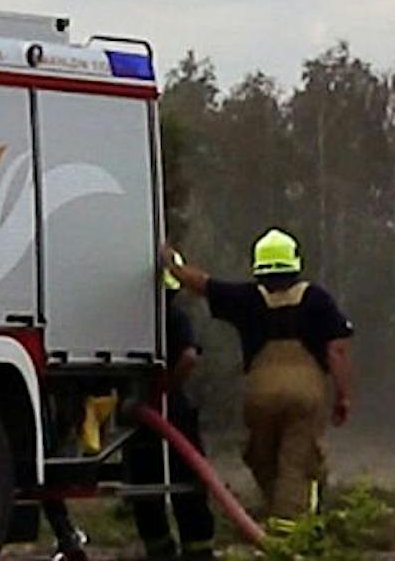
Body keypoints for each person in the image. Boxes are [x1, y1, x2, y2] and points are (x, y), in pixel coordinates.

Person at [158, 230, 354, 528]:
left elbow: (202, 284)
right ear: (294, 262)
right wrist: (343, 396)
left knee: (262, 457)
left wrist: (170, 262)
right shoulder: (317, 299)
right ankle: (291, 531)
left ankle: (284, 515)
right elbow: (336, 350)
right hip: (306, 395)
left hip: (259, 396)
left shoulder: (247, 298)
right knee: (297, 462)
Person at [128, 272, 217, 560]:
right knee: (187, 477)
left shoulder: (133, 320)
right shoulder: (176, 317)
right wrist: (169, 386)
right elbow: (189, 357)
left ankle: (160, 547)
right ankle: (198, 548)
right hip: (170, 408)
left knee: (143, 478)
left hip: (141, 408)